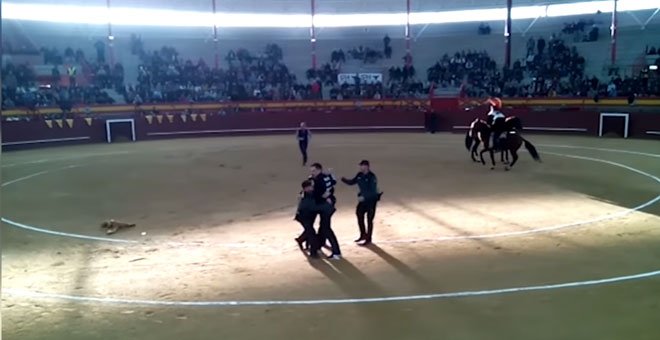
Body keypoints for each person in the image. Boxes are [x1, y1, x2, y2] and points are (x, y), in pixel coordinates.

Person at [341, 160, 382, 246]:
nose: (360, 167)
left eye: (362, 166)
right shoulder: (359, 175)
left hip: (371, 201)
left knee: (369, 219)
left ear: (366, 166)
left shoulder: (372, 177)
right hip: (363, 200)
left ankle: (368, 238)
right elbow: (352, 182)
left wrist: (364, 197)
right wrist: (343, 179)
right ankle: (363, 234)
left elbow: (372, 191)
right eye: (360, 166)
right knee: (359, 214)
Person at [295, 180, 336, 258]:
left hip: (309, 216)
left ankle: (301, 240)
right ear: (306, 188)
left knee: (309, 231)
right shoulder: (305, 196)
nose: (312, 188)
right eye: (310, 186)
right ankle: (313, 252)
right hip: (304, 217)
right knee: (311, 233)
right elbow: (312, 206)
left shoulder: (310, 193)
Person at [310, 163, 341, 259]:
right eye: (311, 171)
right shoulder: (325, 177)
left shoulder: (318, 180)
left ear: (319, 170)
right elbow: (334, 182)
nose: (312, 172)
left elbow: (318, 193)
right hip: (327, 204)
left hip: (325, 206)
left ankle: (336, 252)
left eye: (314, 170)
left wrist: (326, 196)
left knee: (326, 228)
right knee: (323, 226)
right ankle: (320, 244)